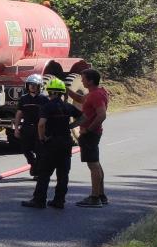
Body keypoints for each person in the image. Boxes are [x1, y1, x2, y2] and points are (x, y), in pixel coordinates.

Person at [23, 77, 82, 209]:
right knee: (63, 174)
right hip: (66, 144)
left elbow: (41, 124)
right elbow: (83, 117)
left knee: (44, 174)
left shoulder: (46, 107)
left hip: (51, 144)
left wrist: (42, 138)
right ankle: (59, 200)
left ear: (49, 92)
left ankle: (39, 200)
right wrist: (71, 126)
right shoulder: (68, 106)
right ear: (62, 92)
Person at [70, 69, 109, 207]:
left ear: (91, 81)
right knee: (96, 163)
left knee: (93, 165)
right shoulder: (94, 93)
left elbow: (102, 115)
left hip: (91, 134)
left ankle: (94, 198)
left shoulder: (96, 95)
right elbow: (81, 99)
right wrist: (67, 90)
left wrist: (88, 129)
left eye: (84, 79)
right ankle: (101, 195)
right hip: (91, 134)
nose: (81, 81)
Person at [11, 74, 46, 171]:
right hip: (26, 127)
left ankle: (38, 170)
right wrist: (16, 128)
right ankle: (33, 163)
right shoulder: (23, 98)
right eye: (30, 84)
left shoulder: (44, 99)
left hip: (39, 128)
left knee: (39, 150)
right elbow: (19, 114)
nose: (32, 86)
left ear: (39, 86)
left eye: (35, 84)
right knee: (25, 149)